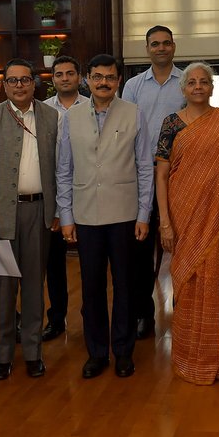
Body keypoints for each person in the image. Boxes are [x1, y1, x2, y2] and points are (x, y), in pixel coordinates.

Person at [156, 62, 219, 385]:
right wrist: (165, 223)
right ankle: (192, 357)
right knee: (190, 281)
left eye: (204, 82)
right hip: (185, 216)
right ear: (183, 88)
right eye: (192, 82)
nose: (198, 87)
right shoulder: (171, 124)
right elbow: (161, 174)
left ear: (212, 88)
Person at [58, 54, 151, 378]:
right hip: (85, 214)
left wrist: (143, 214)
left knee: (125, 286)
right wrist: (66, 215)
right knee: (91, 287)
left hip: (124, 213)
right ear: (87, 79)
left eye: (110, 77)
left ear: (119, 81)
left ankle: (123, 351)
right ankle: (97, 352)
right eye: (97, 77)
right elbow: (64, 169)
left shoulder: (134, 114)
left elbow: (144, 167)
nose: (103, 83)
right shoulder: (71, 117)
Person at [0, 59, 59, 380]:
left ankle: (34, 352)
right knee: (4, 288)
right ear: (3, 85)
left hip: (40, 212)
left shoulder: (52, 117)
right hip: (3, 215)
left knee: (35, 285)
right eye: (12, 81)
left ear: (34, 83)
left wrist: (58, 212)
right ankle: (4, 355)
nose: (19, 85)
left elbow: (60, 168)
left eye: (25, 79)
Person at [121, 25, 184, 339]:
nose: (161, 48)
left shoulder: (186, 82)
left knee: (183, 246)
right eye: (154, 44)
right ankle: (143, 315)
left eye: (166, 43)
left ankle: (185, 312)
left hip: (180, 177)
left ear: (174, 46)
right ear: (147, 49)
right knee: (141, 252)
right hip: (142, 177)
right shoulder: (133, 86)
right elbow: (125, 127)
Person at [40, 55, 88, 341]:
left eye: (71, 73)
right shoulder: (44, 110)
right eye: (60, 74)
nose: (65, 78)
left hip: (87, 194)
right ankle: (56, 319)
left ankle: (89, 319)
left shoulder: (92, 104)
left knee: (90, 264)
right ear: (53, 78)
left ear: (80, 77)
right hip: (54, 198)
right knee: (54, 264)